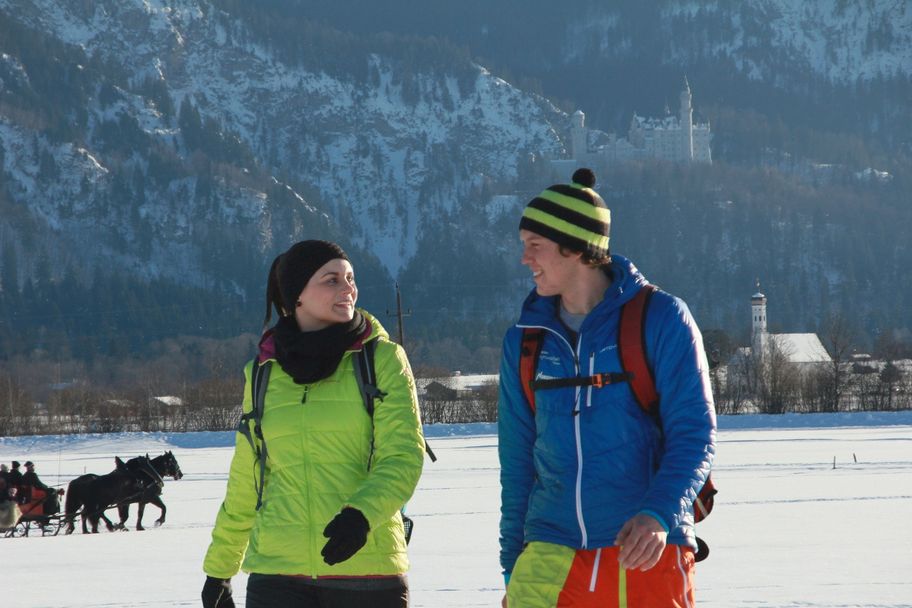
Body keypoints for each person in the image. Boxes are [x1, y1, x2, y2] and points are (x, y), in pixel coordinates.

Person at [497, 168, 716, 607]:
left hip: (644, 549)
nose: (525, 258)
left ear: (574, 248)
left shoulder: (661, 318)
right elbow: (517, 462)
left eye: (535, 245)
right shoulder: (524, 339)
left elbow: (694, 435)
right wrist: (512, 565)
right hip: (547, 553)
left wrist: (658, 515)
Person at [202, 240, 426, 608]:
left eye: (350, 278)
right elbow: (249, 476)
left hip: (365, 572)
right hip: (277, 576)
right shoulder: (262, 373)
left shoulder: (382, 359)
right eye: (331, 279)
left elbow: (402, 456)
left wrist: (361, 516)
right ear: (298, 296)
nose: (348, 288)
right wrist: (219, 569)